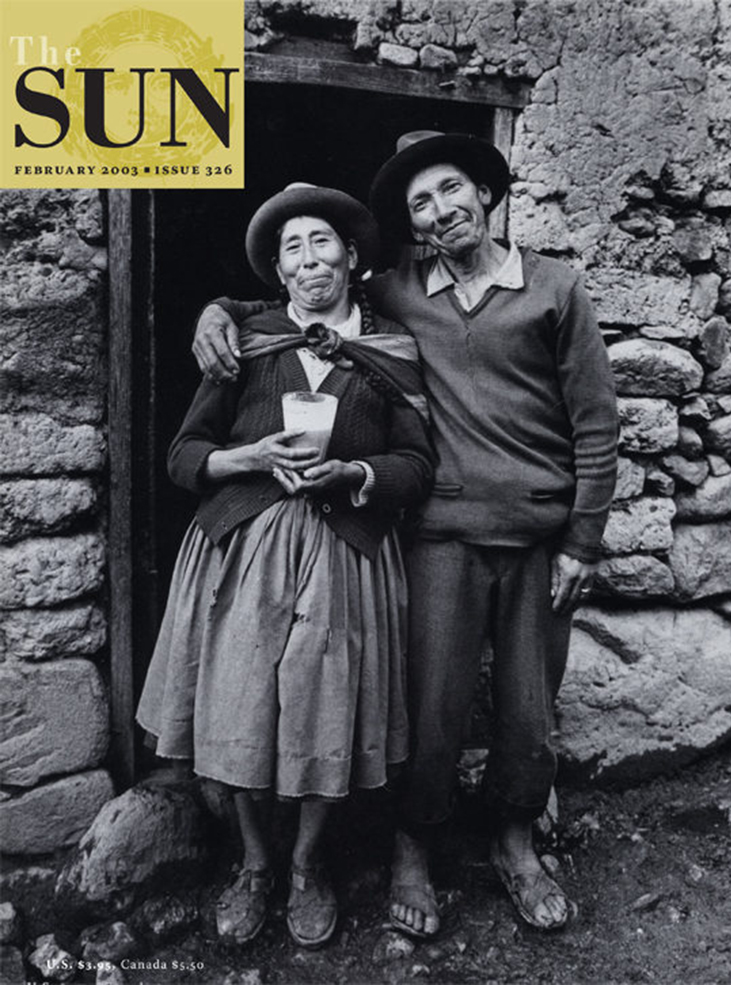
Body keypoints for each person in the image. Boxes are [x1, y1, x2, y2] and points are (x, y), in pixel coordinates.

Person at [192, 132, 619, 938]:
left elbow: (597, 423)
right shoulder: (401, 293)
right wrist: (217, 311)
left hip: (538, 533)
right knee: (430, 710)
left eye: (452, 191)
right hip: (441, 532)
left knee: (531, 712)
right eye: (421, 202)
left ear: (488, 194)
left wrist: (583, 540)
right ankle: (412, 846)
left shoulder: (557, 289)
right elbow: (306, 302)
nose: (439, 211)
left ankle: (516, 844)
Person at [137, 183, 435, 949]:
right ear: (278, 269)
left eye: (322, 242)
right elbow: (182, 456)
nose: (310, 260)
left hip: (345, 554)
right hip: (243, 548)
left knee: (323, 708)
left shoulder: (390, 351)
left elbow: (416, 463)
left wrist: (355, 475)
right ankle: (256, 864)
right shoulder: (245, 341)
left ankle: (307, 866)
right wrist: (245, 456)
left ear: (353, 256)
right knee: (237, 706)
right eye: (293, 248)